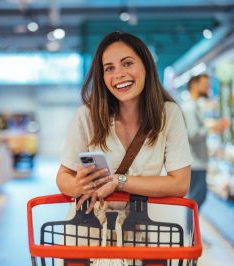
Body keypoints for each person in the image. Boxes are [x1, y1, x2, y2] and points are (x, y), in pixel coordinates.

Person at [56, 31, 193, 218]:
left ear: (146, 66)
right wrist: (79, 185)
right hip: (91, 232)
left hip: (145, 232)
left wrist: (118, 181)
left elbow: (179, 184)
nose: (119, 74)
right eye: (109, 68)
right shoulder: (86, 116)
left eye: (127, 63)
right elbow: (63, 177)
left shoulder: (168, 114)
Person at [182, 74, 228, 232]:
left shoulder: (193, 106)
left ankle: (191, 234)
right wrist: (212, 128)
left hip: (197, 161)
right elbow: (193, 134)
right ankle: (190, 236)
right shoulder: (190, 107)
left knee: (197, 198)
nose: (208, 88)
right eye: (205, 84)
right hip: (195, 162)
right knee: (196, 199)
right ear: (194, 85)